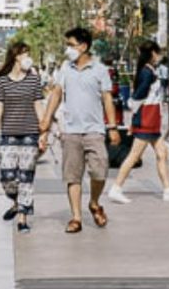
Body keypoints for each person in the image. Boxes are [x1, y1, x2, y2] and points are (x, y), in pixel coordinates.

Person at [38, 27, 120, 234]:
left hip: (95, 130)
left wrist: (112, 127)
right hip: (71, 130)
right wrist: (46, 120)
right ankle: (75, 217)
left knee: (100, 171)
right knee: (73, 176)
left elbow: (107, 99)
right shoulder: (65, 68)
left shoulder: (100, 70)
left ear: (83, 47)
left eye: (71, 45)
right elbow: (56, 94)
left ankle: (94, 202)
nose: (68, 49)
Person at [108, 41, 169, 204]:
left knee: (162, 154)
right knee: (134, 156)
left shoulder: (149, 71)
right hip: (146, 119)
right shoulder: (147, 72)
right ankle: (116, 188)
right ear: (152, 53)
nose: (159, 56)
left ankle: (168, 190)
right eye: (158, 52)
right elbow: (139, 95)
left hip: (152, 119)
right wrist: (134, 112)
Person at [0, 42, 45, 233]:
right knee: (8, 177)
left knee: (26, 178)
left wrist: (43, 132)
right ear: (15, 57)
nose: (28, 57)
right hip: (9, 135)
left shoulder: (34, 80)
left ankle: (22, 218)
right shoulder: (1, 81)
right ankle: (16, 202)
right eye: (24, 53)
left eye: (29, 53)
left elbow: (38, 105)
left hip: (30, 135)